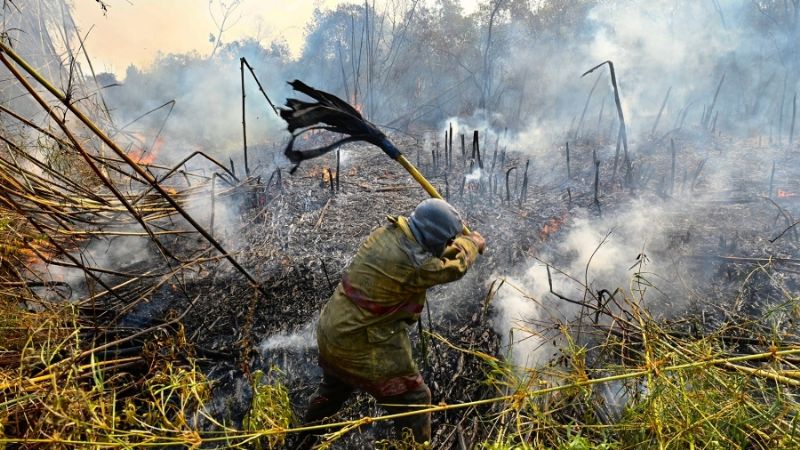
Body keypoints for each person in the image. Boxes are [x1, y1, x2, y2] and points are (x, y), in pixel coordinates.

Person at [302, 198, 486, 446]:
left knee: (334, 388)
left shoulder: (387, 233)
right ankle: (414, 445)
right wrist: (470, 243)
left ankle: (300, 436)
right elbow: (453, 268)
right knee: (416, 400)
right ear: (433, 237)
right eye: (447, 240)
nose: (449, 245)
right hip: (361, 343)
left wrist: (457, 241)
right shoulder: (417, 265)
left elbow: (432, 254)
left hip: (333, 329)